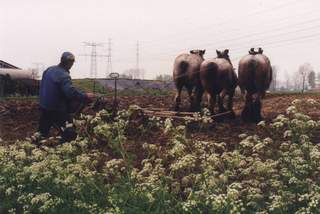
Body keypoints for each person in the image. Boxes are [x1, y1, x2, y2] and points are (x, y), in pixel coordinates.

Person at [38, 52, 95, 143]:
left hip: (44, 106)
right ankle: (62, 146)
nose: (72, 65)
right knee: (70, 131)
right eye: (72, 63)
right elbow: (70, 93)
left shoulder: (49, 70)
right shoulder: (64, 75)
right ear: (69, 63)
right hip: (56, 108)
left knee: (42, 131)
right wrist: (85, 96)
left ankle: (36, 143)